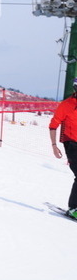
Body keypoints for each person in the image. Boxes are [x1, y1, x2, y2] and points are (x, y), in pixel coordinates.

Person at [49, 78, 77, 219]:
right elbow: (53, 126)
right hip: (71, 143)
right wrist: (54, 146)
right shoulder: (66, 105)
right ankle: (73, 208)